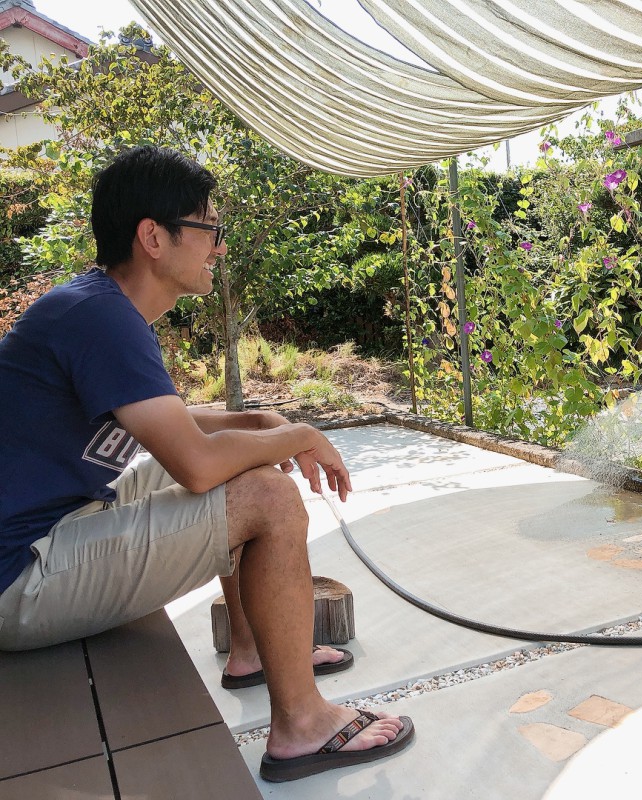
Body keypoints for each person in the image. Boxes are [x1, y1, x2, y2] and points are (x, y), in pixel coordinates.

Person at [0, 145, 414, 782]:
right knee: (267, 498)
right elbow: (195, 464)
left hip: (53, 525)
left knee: (243, 465)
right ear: (153, 237)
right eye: (209, 229)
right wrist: (297, 433)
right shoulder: (102, 320)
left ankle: (251, 650)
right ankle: (303, 725)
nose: (219, 247)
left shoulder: (96, 307)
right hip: (19, 576)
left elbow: (175, 426)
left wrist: (261, 424)